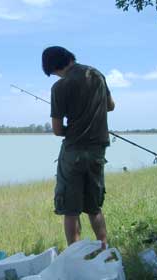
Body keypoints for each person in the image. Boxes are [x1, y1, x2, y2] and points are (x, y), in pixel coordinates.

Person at [42, 46, 115, 246]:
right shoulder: (97, 75)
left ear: (52, 67)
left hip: (73, 152)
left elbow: (57, 130)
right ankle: (104, 248)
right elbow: (111, 105)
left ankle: (75, 254)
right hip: (98, 150)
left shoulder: (60, 87)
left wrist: (74, 128)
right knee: (94, 207)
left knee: (71, 210)